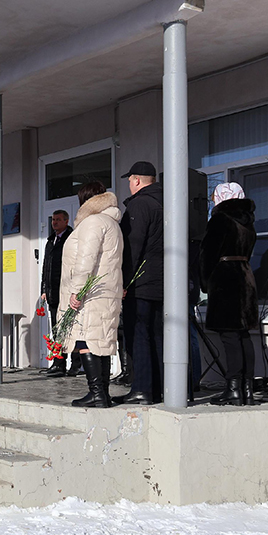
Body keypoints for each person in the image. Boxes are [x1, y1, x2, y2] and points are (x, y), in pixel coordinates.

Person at [60, 181, 123, 408]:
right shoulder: (112, 223)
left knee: (86, 341)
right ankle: (102, 394)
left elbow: (86, 260)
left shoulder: (93, 222)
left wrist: (77, 290)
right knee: (100, 343)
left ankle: (96, 394)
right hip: (105, 293)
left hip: (91, 295)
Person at [199, 182, 259, 406]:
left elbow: (207, 253)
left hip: (225, 278)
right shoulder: (249, 221)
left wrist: (206, 282)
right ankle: (247, 389)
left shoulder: (220, 219)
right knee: (243, 334)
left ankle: (233, 388)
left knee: (229, 336)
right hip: (245, 277)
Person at [115, 161, 164, 406]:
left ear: (136, 180)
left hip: (142, 282)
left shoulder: (139, 204)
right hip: (164, 282)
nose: (129, 184)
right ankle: (158, 388)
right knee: (157, 335)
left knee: (138, 335)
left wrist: (124, 281)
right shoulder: (169, 201)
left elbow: (132, 247)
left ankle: (142, 389)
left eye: (129, 180)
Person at [40, 210, 75, 378]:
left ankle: (75, 364)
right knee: (56, 330)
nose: (54, 223)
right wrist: (43, 290)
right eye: (53, 220)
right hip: (52, 292)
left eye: (58, 220)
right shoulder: (50, 241)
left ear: (66, 221)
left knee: (70, 328)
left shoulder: (71, 238)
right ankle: (58, 363)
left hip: (66, 291)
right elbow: (46, 268)